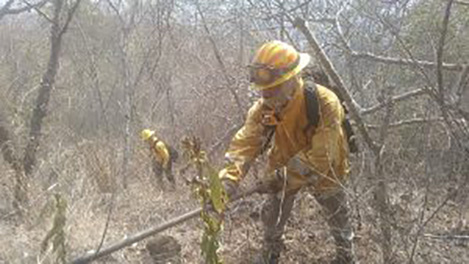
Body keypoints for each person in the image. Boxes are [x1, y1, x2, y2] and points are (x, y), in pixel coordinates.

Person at [219, 40, 356, 264]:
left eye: (273, 88)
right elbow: (243, 145)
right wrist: (227, 182)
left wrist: (280, 179)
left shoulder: (325, 103)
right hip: (282, 161)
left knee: (337, 212)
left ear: (293, 78)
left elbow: (323, 157)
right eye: (263, 89)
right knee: (272, 215)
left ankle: (345, 254)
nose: (266, 94)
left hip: (328, 169)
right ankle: (270, 251)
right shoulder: (263, 108)